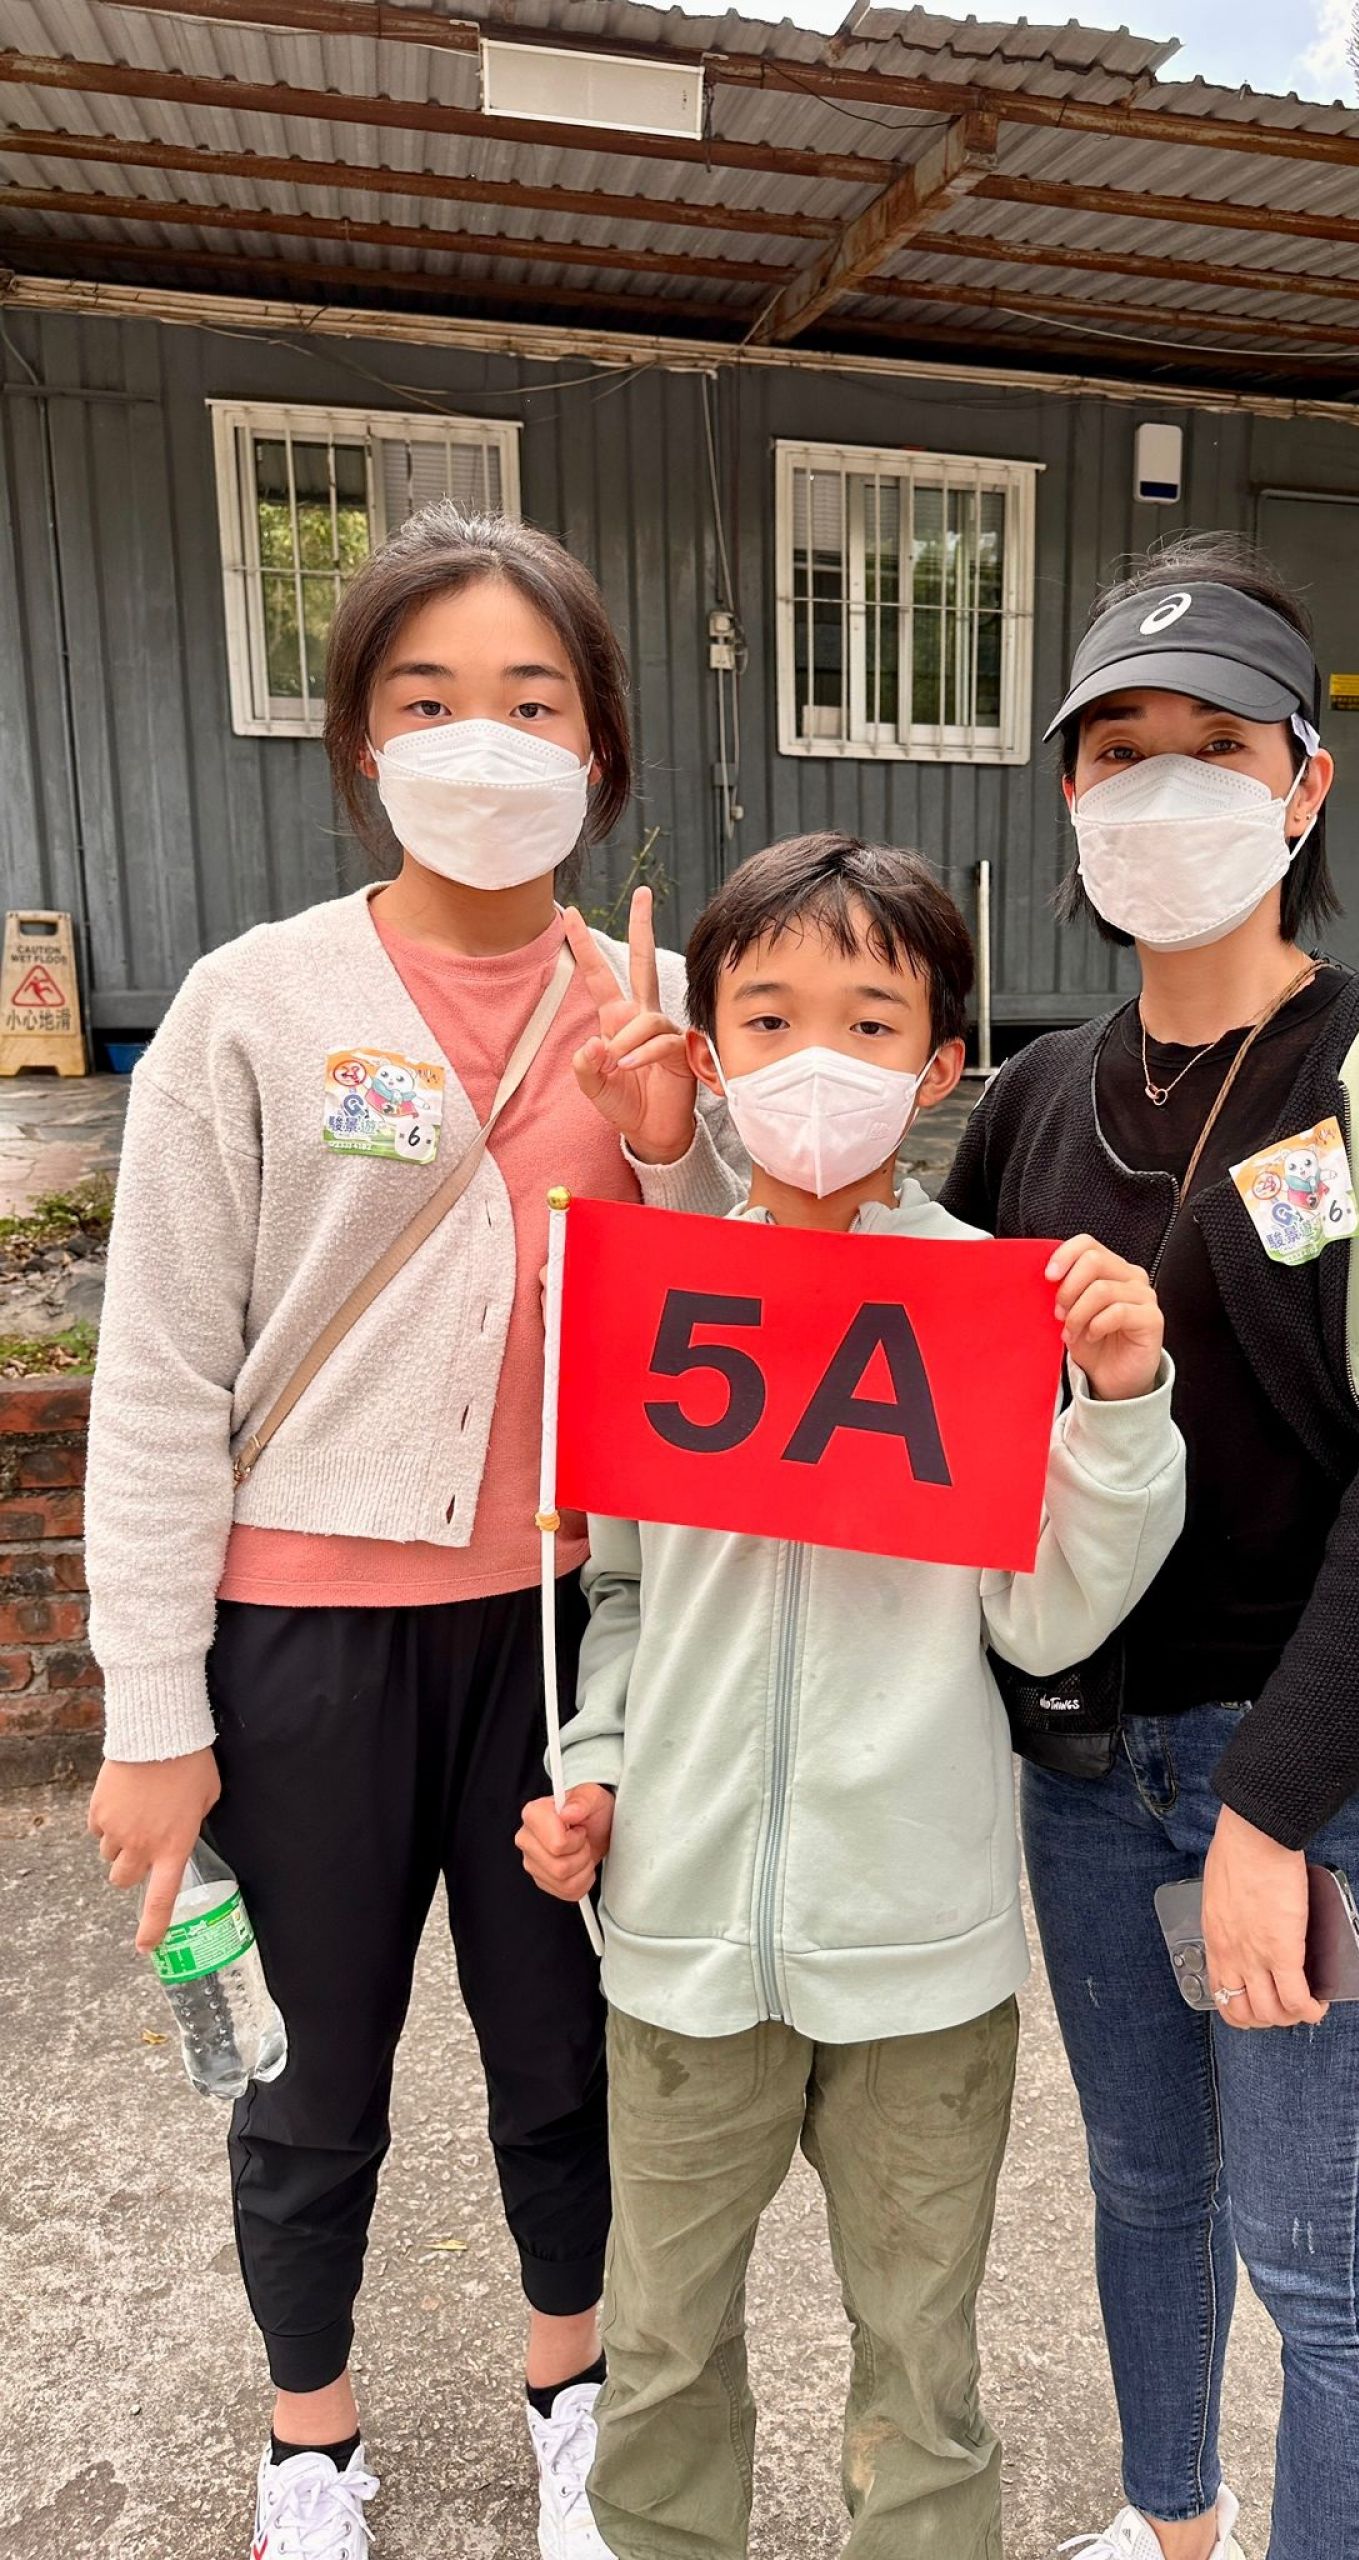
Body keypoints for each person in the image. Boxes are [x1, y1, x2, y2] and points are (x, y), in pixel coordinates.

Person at [612, 536, 1359, 2560]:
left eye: (1219, 742)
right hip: (1085, 1770)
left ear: (1305, 782)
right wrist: (673, 1163)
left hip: (1319, 1777)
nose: (1165, 785)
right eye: (1121, 749)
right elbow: (839, 1344)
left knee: (1323, 2260)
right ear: (1069, 792)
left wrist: (1273, 1809)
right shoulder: (1034, 1094)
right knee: (1145, 2197)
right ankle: (1169, 2518)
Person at [82, 504, 739, 2560]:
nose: (482, 740)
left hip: (564, 1631)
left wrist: (673, 1146)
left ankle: (572, 2393)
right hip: (304, 1648)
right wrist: (154, 1709)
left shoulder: (660, 1003)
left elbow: (740, 1334)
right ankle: (310, 2438)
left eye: (531, 702)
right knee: (303, 2071)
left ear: (598, 743)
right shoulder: (252, 1003)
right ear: (362, 738)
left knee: (566, 2054)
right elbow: (158, 1376)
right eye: (428, 697)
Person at [516, 833, 1187, 2560]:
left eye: (872, 1021)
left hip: (923, 1958)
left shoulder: (988, 1307)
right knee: (662, 2347)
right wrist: (599, 1767)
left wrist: (1120, 1409)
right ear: (709, 1054)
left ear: (941, 1064)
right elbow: (619, 1595)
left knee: (921, 2363)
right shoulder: (659, 1301)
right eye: (769, 1016)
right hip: (679, 1941)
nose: (817, 1058)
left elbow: (1046, 1620)